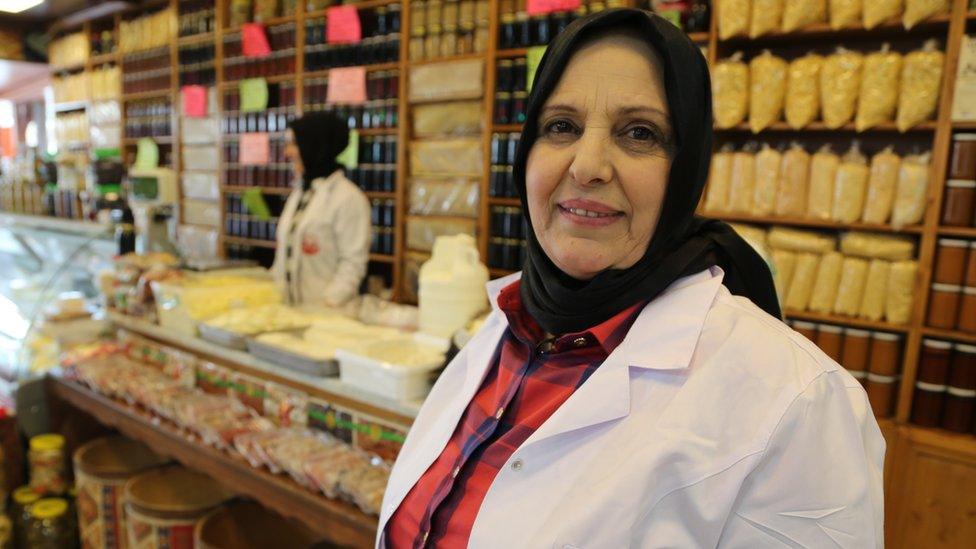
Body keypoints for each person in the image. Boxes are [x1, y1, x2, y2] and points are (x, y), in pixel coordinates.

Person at [378, 9, 884, 548]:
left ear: (685, 167)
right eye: (561, 126)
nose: (588, 165)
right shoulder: (509, 327)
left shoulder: (799, 402)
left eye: (639, 133)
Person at [271, 111, 371, 307]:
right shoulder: (300, 193)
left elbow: (352, 264)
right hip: (290, 313)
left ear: (314, 146)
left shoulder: (349, 198)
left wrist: (328, 304)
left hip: (328, 319)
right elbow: (285, 255)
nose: (287, 152)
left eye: (294, 144)